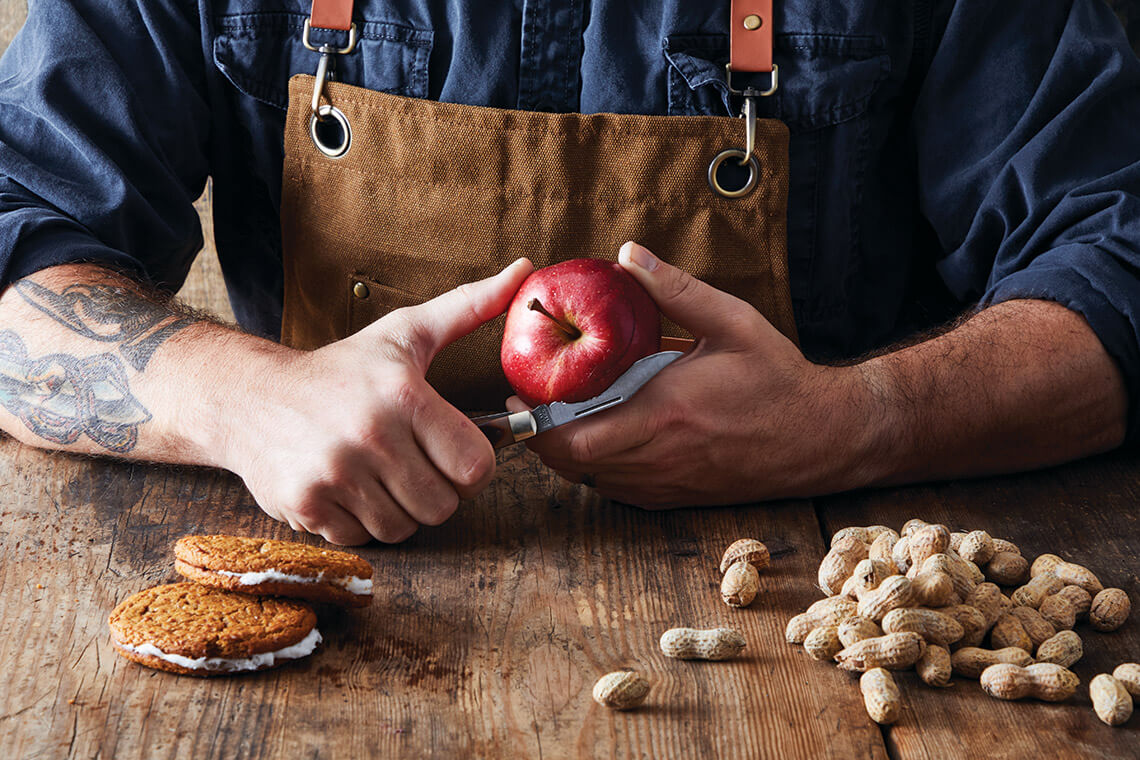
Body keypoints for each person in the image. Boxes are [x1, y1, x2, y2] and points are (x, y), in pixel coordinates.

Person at [0, 0, 1136, 545]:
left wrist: (857, 420)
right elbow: (19, 226)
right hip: (345, 605)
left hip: (825, 588)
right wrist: (246, 398)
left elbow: (1118, 252)